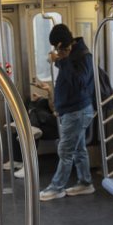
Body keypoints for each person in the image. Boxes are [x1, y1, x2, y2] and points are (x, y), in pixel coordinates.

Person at [39, 24, 97, 201]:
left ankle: (57, 187)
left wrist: (61, 61)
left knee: (65, 150)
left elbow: (79, 83)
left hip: (77, 111)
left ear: (60, 44)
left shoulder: (83, 56)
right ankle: (85, 183)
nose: (57, 51)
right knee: (79, 149)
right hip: (71, 110)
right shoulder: (71, 54)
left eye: (57, 47)